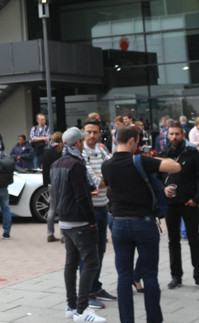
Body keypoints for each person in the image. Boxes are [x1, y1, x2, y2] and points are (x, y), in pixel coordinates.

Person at [103, 126, 182, 323]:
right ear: (132, 141)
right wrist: (154, 160)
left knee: (123, 277)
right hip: (143, 223)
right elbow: (175, 167)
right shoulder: (140, 160)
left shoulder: (107, 165)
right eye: (137, 141)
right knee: (149, 275)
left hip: (119, 224)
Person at [52, 127, 104, 322]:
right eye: (81, 141)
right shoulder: (76, 164)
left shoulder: (57, 163)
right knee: (91, 262)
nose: (83, 143)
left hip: (64, 219)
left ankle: (71, 305)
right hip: (79, 220)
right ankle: (82, 310)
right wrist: (92, 220)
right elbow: (82, 195)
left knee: (71, 262)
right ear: (78, 144)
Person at [157, 123, 199, 290]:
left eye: (177, 134)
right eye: (171, 134)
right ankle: (176, 276)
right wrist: (163, 189)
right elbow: (156, 178)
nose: (174, 137)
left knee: (194, 240)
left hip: (189, 203)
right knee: (173, 241)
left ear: (183, 135)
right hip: (171, 204)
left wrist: (196, 199)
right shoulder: (163, 155)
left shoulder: (192, 154)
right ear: (167, 136)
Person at [82, 119, 116, 303]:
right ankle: (86, 293)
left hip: (103, 207)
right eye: (88, 132)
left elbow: (111, 174)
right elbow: (96, 181)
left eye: (95, 132)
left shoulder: (102, 150)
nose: (92, 135)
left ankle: (95, 287)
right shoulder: (82, 153)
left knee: (100, 250)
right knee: (88, 253)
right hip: (89, 210)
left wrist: (106, 178)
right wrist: (108, 178)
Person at [43, 131, 64, 242]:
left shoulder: (47, 152)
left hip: (50, 183)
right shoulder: (61, 152)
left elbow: (44, 169)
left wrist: (46, 183)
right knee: (61, 207)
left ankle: (50, 234)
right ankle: (63, 235)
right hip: (60, 182)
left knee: (52, 208)